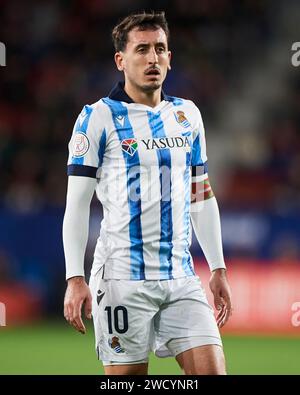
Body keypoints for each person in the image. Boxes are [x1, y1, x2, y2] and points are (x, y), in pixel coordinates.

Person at [63, 11, 232, 375]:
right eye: (141, 49)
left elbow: (201, 196)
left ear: (170, 58)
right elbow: (76, 206)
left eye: (160, 48)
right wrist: (74, 278)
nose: (152, 58)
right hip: (121, 280)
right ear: (120, 61)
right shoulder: (97, 118)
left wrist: (217, 267)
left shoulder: (188, 115)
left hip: (181, 277)